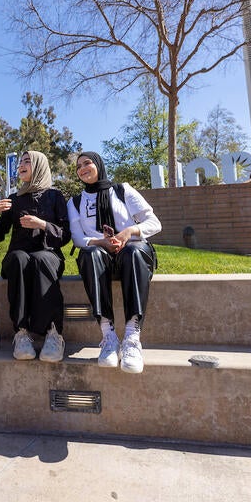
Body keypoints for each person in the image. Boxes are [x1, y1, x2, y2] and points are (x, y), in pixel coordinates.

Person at [67, 152, 161, 374]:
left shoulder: (122, 190)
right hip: (101, 258)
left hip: (131, 254)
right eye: (78, 166)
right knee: (89, 253)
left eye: (87, 163)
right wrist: (102, 242)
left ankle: (131, 337)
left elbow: (154, 223)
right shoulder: (75, 202)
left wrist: (129, 232)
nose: (82, 168)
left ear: (98, 164)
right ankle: (108, 336)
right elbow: (78, 238)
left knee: (133, 251)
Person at [0, 151, 70, 363]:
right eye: (20, 162)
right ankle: (21, 333)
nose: (21, 165)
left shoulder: (55, 196)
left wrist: (43, 225)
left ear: (40, 165)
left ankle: (53, 333)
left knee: (40, 260)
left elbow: (65, 234)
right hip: (20, 254)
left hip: (49, 254)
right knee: (19, 259)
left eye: (27, 161)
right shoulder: (14, 199)